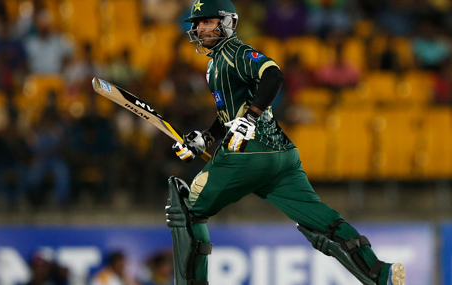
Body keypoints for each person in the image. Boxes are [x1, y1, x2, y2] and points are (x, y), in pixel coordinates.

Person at [165, 1, 406, 285]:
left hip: (247, 156)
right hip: (282, 157)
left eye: (206, 22)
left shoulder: (236, 52)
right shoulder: (214, 65)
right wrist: (204, 138)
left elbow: (273, 74)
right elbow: (229, 116)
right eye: (196, 23)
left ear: (227, 22)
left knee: (186, 209)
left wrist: (251, 117)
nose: (198, 28)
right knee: (319, 222)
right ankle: (379, 274)